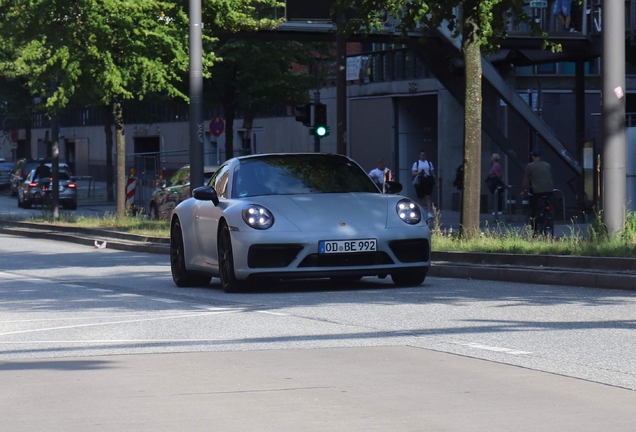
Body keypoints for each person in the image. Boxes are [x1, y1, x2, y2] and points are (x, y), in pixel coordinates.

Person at [521, 149, 554, 235]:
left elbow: (525, 180)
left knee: (533, 209)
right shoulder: (547, 165)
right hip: (550, 190)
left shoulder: (530, 166)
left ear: (532, 157)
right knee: (548, 204)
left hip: (538, 191)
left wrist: (524, 190)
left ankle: (534, 230)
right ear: (541, 157)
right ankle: (549, 218)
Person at [412, 150, 436, 218]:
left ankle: (429, 212)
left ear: (425, 155)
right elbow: (413, 173)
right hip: (420, 180)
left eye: (424, 154)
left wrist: (435, 181)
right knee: (420, 198)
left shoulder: (429, 163)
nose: (422, 156)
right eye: (421, 154)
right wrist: (419, 173)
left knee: (428, 196)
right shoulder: (416, 163)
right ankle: (420, 212)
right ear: (419, 156)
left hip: (427, 180)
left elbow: (432, 172)